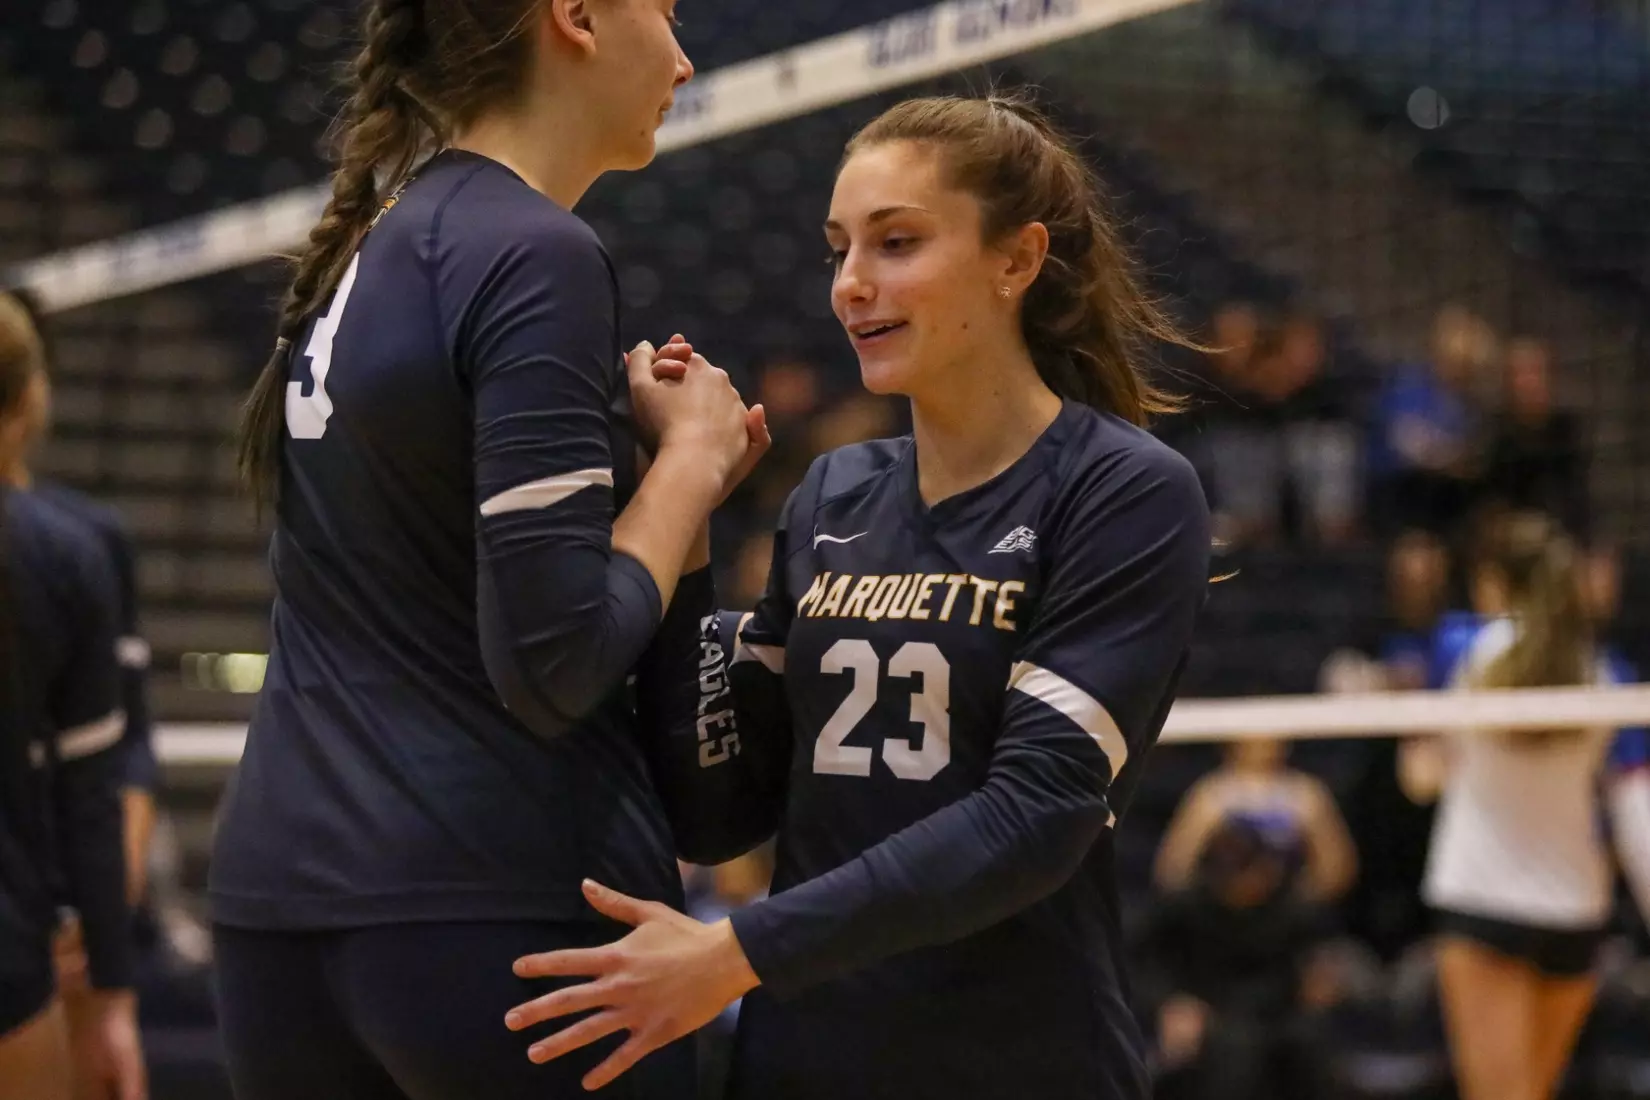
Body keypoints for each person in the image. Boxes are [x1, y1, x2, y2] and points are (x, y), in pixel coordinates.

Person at [505, 93, 1212, 1100]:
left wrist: (736, 949)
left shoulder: (1125, 489)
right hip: (806, 1059)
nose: (851, 285)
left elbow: (1038, 811)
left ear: (1016, 260)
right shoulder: (834, 492)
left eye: (896, 242)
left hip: (1018, 1058)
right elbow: (717, 809)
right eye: (839, 248)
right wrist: (691, 510)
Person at [206, 1, 764, 1098]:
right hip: (493, 903)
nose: (686, 55)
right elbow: (555, 657)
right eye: (664, 9)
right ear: (577, 18)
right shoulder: (535, 250)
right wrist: (692, 464)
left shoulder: (378, 241)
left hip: (280, 902)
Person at [1, 287, 161, 1099]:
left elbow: (120, 746)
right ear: (33, 398)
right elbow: (90, 772)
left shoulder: (86, 541)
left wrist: (109, 894)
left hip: (42, 911)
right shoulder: (56, 553)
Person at [1400, 513, 1617, 1100]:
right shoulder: (1600, 667)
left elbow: (1421, 779)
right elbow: (1630, 797)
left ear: (1494, 581)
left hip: (1483, 899)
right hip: (1577, 908)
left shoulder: (1463, 647)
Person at [1154, 737, 1357, 907]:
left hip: (1286, 913)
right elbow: (1173, 867)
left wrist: (1292, 896)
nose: (1261, 740)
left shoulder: (1305, 792)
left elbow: (1337, 869)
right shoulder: (1211, 793)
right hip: (1220, 912)